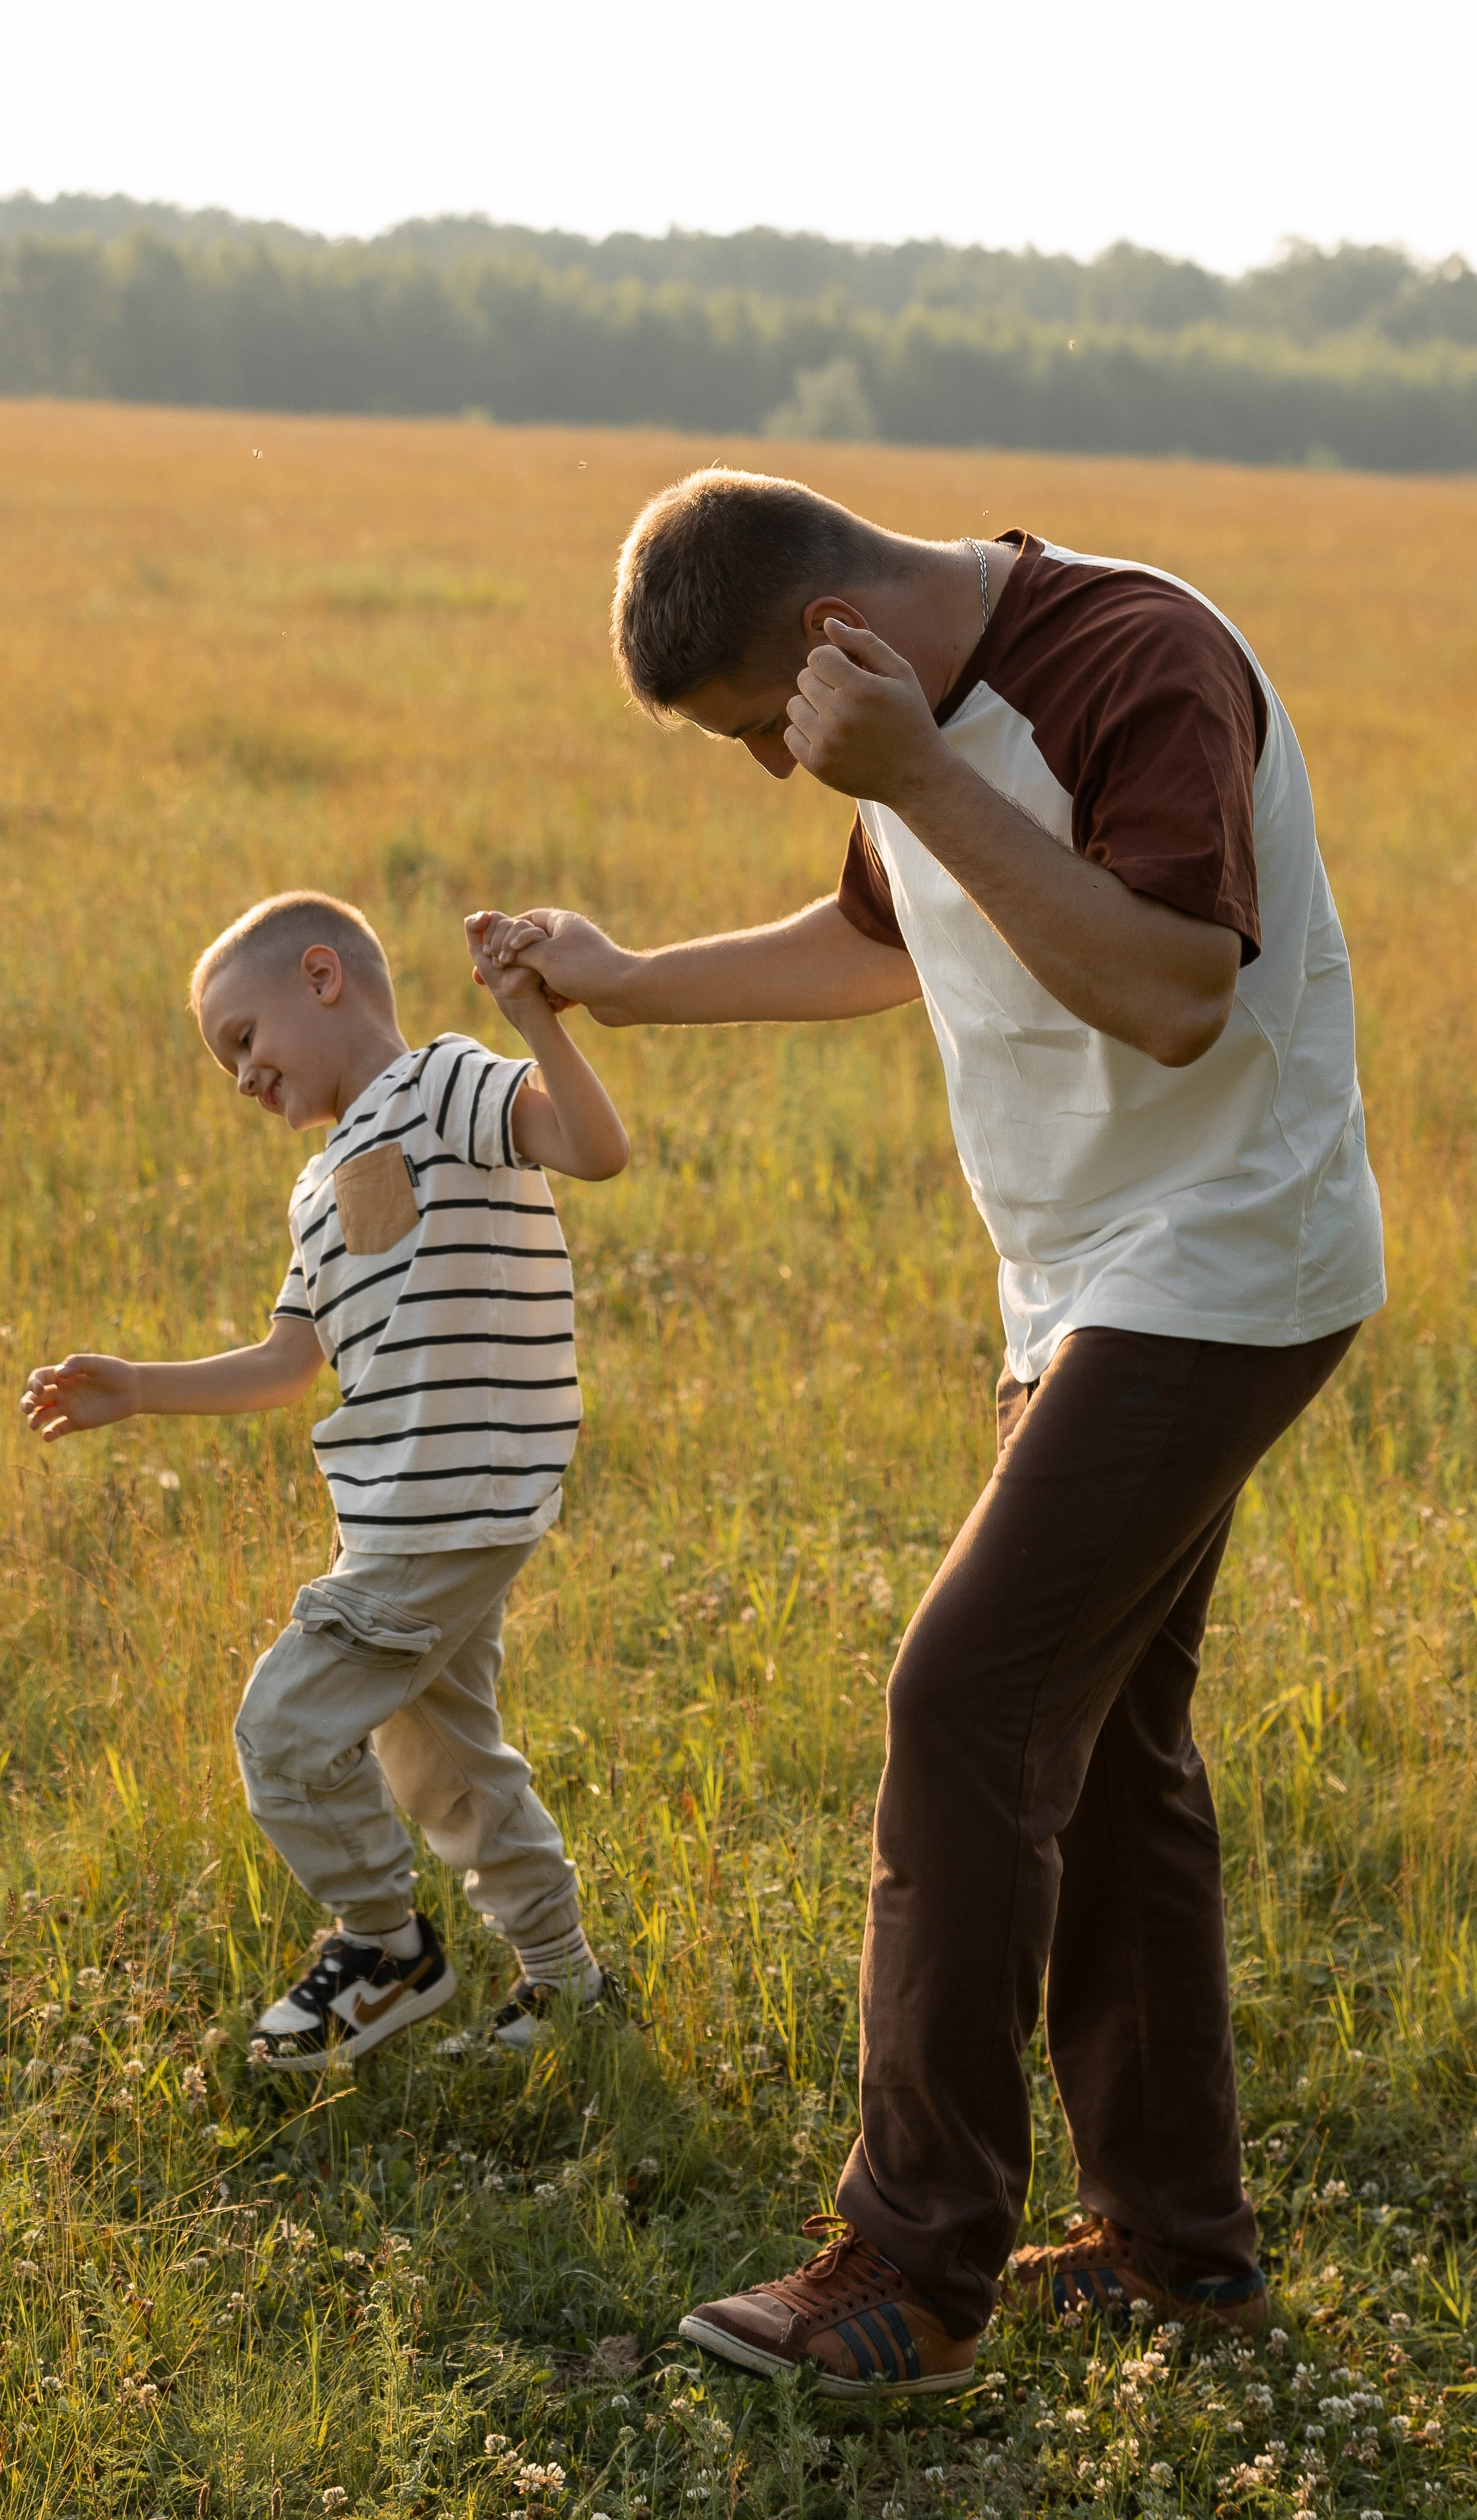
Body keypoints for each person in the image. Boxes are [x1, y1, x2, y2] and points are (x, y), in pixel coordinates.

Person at [473, 469, 1384, 2399]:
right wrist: (634, 984)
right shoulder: (897, 715)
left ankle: (914, 2268)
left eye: (752, 731)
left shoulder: (1135, 661)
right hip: (1082, 1286)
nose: (766, 769)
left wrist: (915, 770)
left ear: (820, 643)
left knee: (962, 1703)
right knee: (1113, 1753)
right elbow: (888, 939)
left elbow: (1172, 997)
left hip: (1225, 1269)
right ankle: (1179, 2255)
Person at [20, 890, 630, 2068]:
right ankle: (570, 1988)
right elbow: (288, 1362)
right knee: (442, 1757)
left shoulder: (443, 1084)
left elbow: (595, 1150)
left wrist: (536, 1018)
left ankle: (384, 1948)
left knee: (286, 1725)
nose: (239, 1077)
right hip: (403, 1512)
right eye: (223, 1066)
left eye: (242, 1041)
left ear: (321, 977)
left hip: (451, 1498)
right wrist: (139, 1386)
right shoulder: (317, 1186)